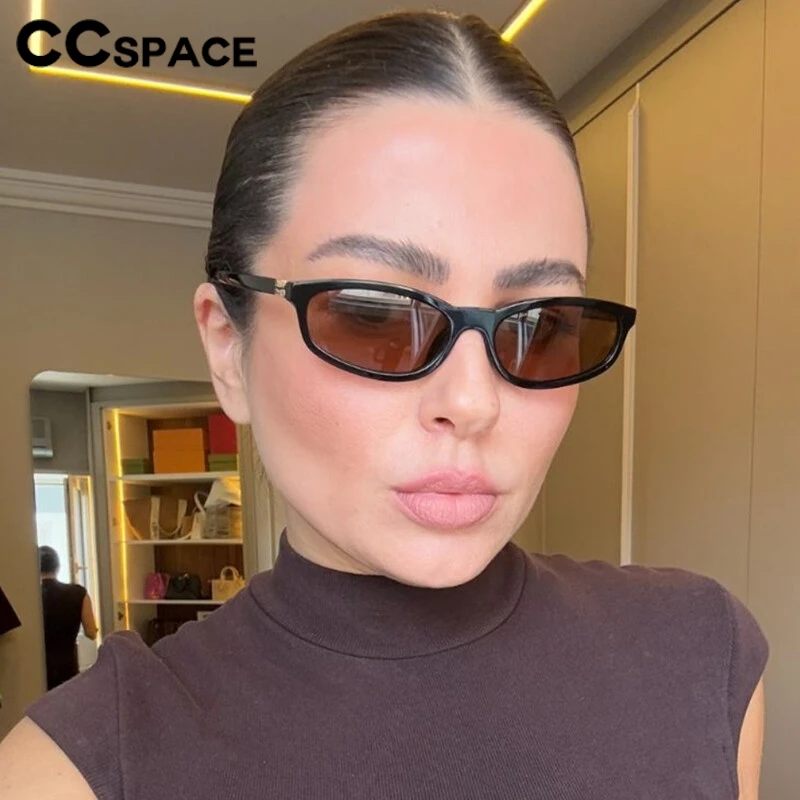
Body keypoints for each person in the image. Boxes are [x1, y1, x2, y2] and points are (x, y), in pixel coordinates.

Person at [0, 10, 767, 799]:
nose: (471, 401)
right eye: (374, 316)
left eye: (540, 324)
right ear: (229, 349)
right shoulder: (79, 769)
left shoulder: (702, 659)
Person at [37, 546, 98, 690]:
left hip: (39, 667)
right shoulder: (78, 593)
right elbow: (91, 632)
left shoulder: (31, 596)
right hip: (67, 665)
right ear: (58, 567)